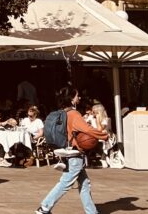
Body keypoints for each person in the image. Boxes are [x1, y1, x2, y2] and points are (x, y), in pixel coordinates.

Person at [36, 85, 108, 214]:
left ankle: (92, 211)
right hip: (75, 154)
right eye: (76, 95)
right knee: (65, 183)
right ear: (71, 98)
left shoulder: (63, 113)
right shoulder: (74, 114)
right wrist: (104, 135)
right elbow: (87, 129)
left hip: (67, 152)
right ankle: (44, 207)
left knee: (85, 183)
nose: (79, 97)